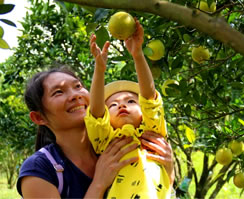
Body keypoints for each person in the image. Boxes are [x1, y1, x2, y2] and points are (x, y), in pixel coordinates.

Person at [17, 67, 174, 198]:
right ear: (38, 117)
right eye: (58, 92)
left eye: (78, 86)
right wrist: (99, 183)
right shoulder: (39, 169)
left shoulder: (121, 140)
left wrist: (168, 168)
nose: (76, 95)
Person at [85, 19, 173, 198]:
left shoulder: (152, 132)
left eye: (131, 102)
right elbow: (95, 114)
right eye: (113, 105)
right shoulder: (108, 142)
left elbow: (149, 98)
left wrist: (138, 55)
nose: (122, 105)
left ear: (143, 111)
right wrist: (99, 70)